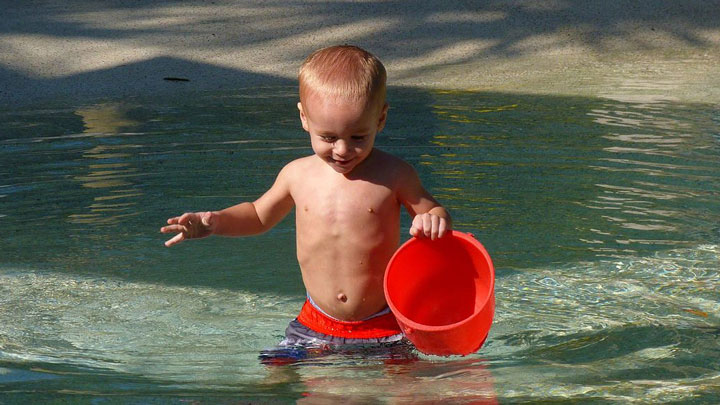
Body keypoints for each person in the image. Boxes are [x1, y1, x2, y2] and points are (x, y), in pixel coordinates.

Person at [160, 45, 451, 348]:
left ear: (380, 119)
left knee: (404, 388)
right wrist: (216, 222)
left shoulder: (395, 174)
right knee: (278, 379)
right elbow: (259, 216)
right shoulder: (297, 175)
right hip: (316, 322)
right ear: (304, 118)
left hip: (383, 323)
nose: (342, 149)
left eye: (358, 138)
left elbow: (434, 211)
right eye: (328, 137)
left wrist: (432, 221)